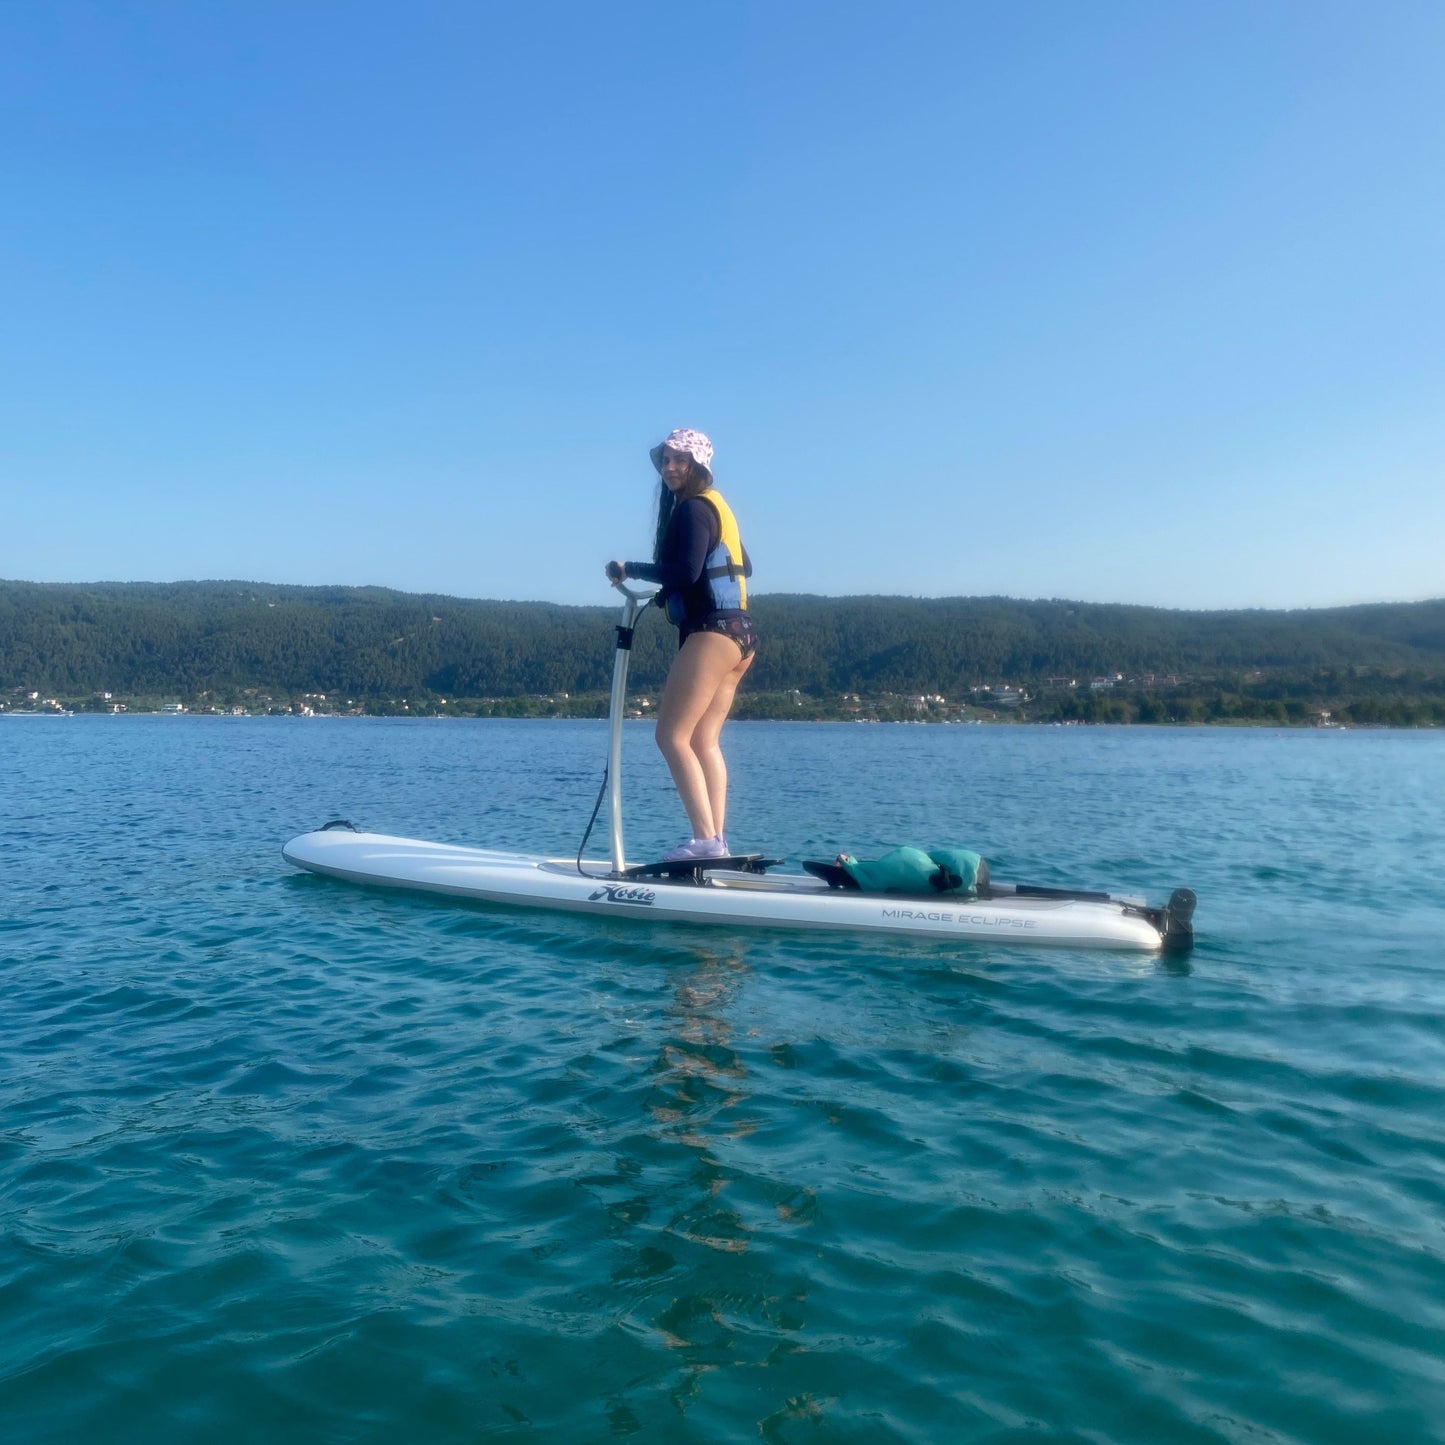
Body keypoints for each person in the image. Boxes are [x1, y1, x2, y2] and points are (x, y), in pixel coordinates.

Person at [606, 428, 756, 861]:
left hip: (713, 633)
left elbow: (688, 571)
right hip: (742, 634)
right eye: (665, 460)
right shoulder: (718, 508)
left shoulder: (692, 509)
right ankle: (717, 842)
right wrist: (669, 595)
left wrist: (629, 568)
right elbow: (743, 564)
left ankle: (706, 841)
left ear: (698, 466)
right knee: (704, 740)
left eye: (680, 460)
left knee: (671, 736)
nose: (670, 467)